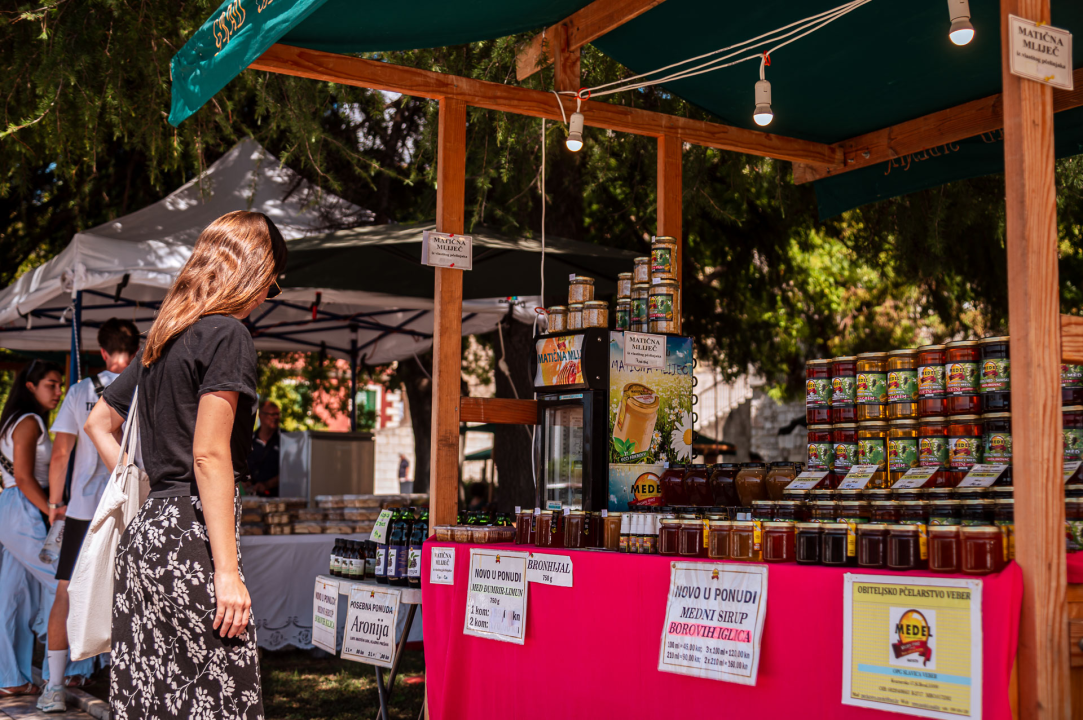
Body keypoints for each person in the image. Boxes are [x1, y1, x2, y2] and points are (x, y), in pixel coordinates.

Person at [86, 210, 286, 719]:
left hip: (147, 531)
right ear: (254, 270)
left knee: (153, 697)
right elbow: (210, 454)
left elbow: (97, 424)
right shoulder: (228, 335)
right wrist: (227, 571)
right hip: (190, 533)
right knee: (222, 697)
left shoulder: (164, 337)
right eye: (273, 280)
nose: (270, 293)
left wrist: (146, 481)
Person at [37, 319, 139, 713]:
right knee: (129, 594)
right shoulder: (143, 385)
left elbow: (61, 452)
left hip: (81, 509)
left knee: (65, 591)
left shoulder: (81, 390)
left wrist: (54, 504)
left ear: (101, 351)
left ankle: (55, 687)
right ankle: (128, 683)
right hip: (129, 503)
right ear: (133, 349)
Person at [0, 360, 93, 696]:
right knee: (65, 583)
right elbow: (24, 477)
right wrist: (52, 510)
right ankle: (73, 668)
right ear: (30, 387)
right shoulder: (29, 422)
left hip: (13, 509)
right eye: (50, 385)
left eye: (59, 385)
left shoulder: (16, 420)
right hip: (24, 508)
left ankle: (10, 678)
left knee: (12, 596)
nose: (58, 391)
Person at [247, 400, 281, 496]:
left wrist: (267, 485)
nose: (276, 417)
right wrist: (244, 481)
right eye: (272, 414)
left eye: (277, 414)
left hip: (278, 498)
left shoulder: (286, 439)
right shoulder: (250, 440)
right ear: (261, 416)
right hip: (252, 499)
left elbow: (292, 471)